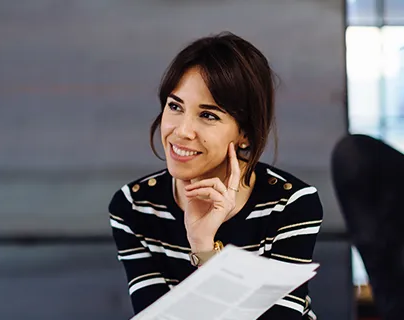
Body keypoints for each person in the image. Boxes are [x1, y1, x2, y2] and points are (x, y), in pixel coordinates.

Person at [108, 32, 323, 319]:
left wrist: (205, 248)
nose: (182, 130)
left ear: (244, 134)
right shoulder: (134, 205)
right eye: (175, 106)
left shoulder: (291, 204)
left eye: (208, 115)